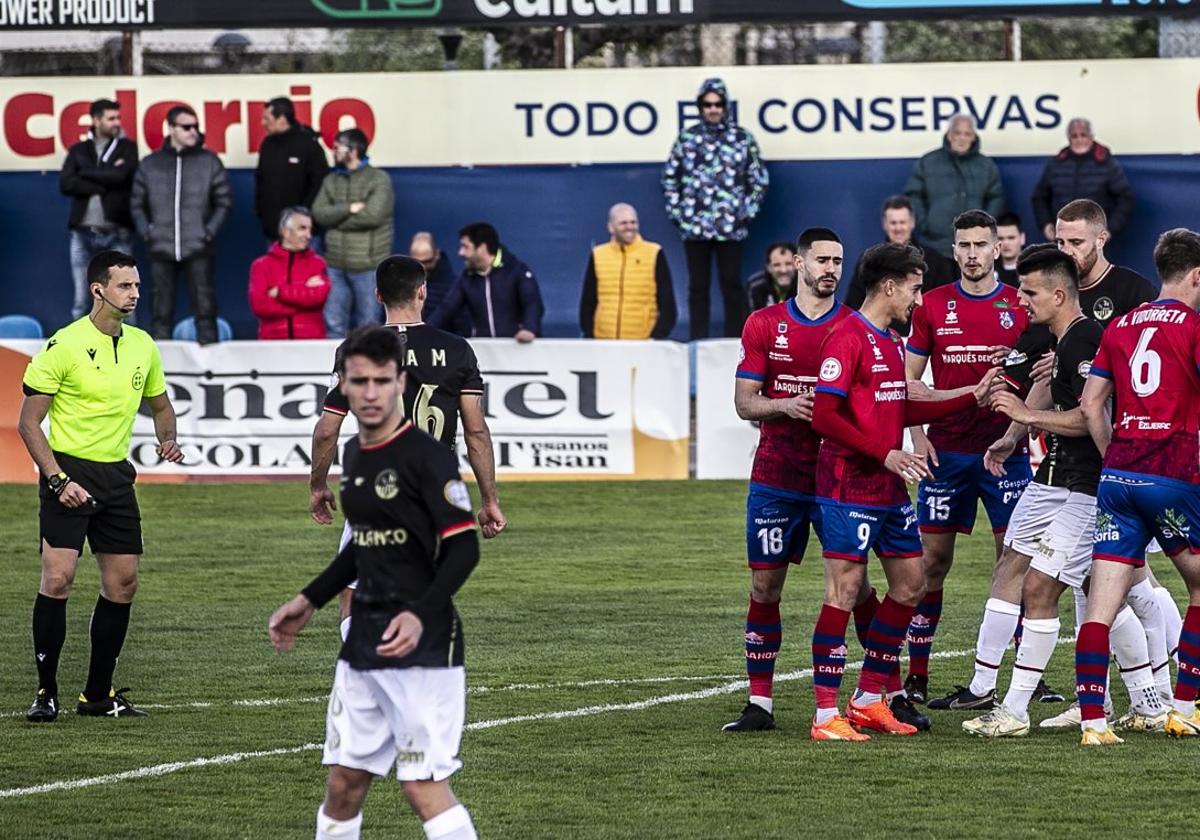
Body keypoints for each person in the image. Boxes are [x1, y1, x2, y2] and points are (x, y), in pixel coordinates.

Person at [270, 326, 483, 839]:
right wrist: (309, 600)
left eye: (381, 381)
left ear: (400, 383)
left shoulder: (428, 458)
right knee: (344, 783)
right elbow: (362, 546)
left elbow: (464, 548)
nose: (369, 392)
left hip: (422, 647)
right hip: (362, 641)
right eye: (358, 381)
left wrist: (421, 611)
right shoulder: (358, 457)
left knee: (422, 786)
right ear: (342, 384)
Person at [961, 245, 1165, 738]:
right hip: (1074, 485)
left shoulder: (1085, 341)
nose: (1021, 301)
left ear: (1057, 294)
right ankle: (1151, 703)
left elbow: (1093, 414)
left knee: (1047, 588)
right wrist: (1015, 432)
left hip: (1092, 491)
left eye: (1029, 293)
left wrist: (1027, 417)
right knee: (1099, 593)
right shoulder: (1063, 339)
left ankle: (1012, 710)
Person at [809, 242, 998, 739]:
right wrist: (885, 452)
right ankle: (826, 714)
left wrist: (968, 396)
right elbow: (826, 416)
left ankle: (870, 696)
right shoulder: (845, 337)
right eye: (915, 288)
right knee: (845, 590)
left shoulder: (891, 342)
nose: (919, 299)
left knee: (911, 584)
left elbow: (901, 410)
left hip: (888, 486)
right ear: (890, 286)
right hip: (848, 483)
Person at [18, 250, 183, 723]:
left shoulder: (143, 346)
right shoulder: (62, 345)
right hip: (66, 471)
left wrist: (167, 440)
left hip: (116, 476)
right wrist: (57, 479)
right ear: (98, 290)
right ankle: (45, 693)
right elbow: (29, 425)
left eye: (136, 286)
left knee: (124, 583)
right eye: (125, 286)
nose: (134, 294)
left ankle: (96, 695)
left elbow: (161, 405)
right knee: (58, 578)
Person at [310, 256, 506, 639]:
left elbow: (326, 430)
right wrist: (489, 500)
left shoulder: (357, 349)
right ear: (422, 292)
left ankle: (364, 667)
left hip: (375, 482)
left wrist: (318, 486)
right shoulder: (457, 349)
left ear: (378, 294)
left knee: (352, 590)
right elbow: (476, 432)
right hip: (436, 489)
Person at [725, 228, 861, 734]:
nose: (830, 268)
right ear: (798, 264)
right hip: (778, 475)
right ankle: (759, 702)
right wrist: (786, 405)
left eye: (837, 260)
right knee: (765, 584)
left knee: (856, 586)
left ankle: (876, 693)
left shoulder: (854, 326)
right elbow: (744, 402)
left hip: (839, 477)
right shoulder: (765, 323)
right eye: (821, 259)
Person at [901, 211, 1033, 710]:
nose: (973, 253)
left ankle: (1025, 675)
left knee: (1014, 563)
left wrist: (1020, 426)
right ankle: (917, 675)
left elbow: (1045, 375)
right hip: (947, 453)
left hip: (1007, 455)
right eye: (964, 245)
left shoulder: (1021, 305)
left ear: (999, 249)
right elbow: (908, 382)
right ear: (953, 251)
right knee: (930, 567)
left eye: (982, 244)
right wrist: (917, 435)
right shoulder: (932, 305)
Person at [1072, 228, 1200, 745]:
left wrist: (1116, 459)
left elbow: (1089, 404)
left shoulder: (1121, 325)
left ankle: (1093, 723)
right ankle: (1186, 708)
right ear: (1197, 275)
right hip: (1171, 475)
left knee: (1100, 606)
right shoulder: (1192, 326)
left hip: (1119, 476)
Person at [662, 77, 769, 340]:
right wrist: (680, 215)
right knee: (698, 286)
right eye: (707, 104)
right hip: (694, 227)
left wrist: (745, 213)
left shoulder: (742, 139)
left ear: (725, 106)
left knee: (731, 284)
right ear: (700, 106)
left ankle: (735, 340)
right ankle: (698, 339)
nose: (713, 109)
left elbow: (759, 180)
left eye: (718, 104)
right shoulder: (687, 139)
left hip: (730, 228)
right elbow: (669, 179)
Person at [131, 105, 231, 345]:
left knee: (205, 308)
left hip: (198, 247)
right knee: (160, 310)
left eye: (196, 127)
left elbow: (224, 202)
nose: (193, 132)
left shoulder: (209, 161)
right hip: (161, 247)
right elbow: (136, 203)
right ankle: (159, 368)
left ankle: (210, 367)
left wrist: (207, 233)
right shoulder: (151, 163)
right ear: (172, 129)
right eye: (187, 127)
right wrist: (148, 232)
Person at [60, 98, 138, 321]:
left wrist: (85, 172)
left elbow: (122, 176)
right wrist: (105, 180)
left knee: (125, 298)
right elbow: (66, 183)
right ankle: (77, 351)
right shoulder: (79, 150)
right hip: (82, 233)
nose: (116, 122)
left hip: (117, 232)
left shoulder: (127, 147)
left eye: (118, 118)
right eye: (110, 118)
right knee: (82, 300)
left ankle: (128, 351)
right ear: (96, 120)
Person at [313, 128, 394, 338]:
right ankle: (336, 370)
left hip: (367, 268)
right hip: (335, 266)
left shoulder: (379, 179)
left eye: (337, 146)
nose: (333, 151)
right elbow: (319, 214)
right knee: (334, 325)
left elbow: (373, 216)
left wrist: (335, 220)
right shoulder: (331, 180)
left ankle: (366, 371)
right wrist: (348, 209)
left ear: (353, 150)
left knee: (368, 328)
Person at [905, 115, 1005, 257]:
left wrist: (984, 229)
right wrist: (926, 225)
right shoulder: (928, 162)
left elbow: (996, 198)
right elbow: (914, 195)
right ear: (949, 135)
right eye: (957, 133)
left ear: (973, 137)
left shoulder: (986, 166)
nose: (962, 138)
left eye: (967, 134)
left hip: (973, 249)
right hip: (935, 246)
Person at [427, 223, 544, 342]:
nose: (460, 253)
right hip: (485, 352)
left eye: (465, 247)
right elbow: (446, 308)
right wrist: (424, 332)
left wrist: (529, 329)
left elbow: (532, 303)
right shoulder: (467, 278)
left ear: (482, 248)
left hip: (518, 350)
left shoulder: (516, 270)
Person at [579, 203, 677, 340]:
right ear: (611, 227)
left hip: (643, 344)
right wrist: (590, 336)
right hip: (603, 342)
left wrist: (656, 338)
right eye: (623, 223)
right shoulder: (598, 255)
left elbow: (668, 305)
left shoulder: (654, 253)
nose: (630, 227)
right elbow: (588, 302)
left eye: (633, 222)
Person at [1032, 118, 1135, 242]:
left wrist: (1110, 229)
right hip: (1062, 238)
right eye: (1074, 136)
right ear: (1069, 138)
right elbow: (1039, 197)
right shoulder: (1056, 164)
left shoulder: (1107, 163)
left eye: (1083, 135)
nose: (1079, 140)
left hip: (1094, 239)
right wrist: (1046, 223)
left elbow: (1125, 199)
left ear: (1091, 137)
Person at [844, 195, 955, 310]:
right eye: (893, 223)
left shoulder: (935, 261)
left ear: (912, 223)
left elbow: (945, 302)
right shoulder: (869, 261)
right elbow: (853, 305)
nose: (898, 228)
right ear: (884, 224)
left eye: (902, 222)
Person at [248, 207, 330, 340]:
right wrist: (303, 301)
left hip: (310, 343)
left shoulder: (318, 264)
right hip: (273, 343)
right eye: (302, 228)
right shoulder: (261, 266)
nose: (308, 235)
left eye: (310, 229)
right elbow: (260, 306)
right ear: (286, 232)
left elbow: (318, 297)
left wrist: (280, 292)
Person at [255, 96, 329, 243]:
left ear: (282, 119)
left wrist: (301, 216)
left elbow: (319, 184)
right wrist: (262, 212)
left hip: (304, 235)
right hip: (273, 232)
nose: (262, 123)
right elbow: (260, 180)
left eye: (267, 119)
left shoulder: (309, 145)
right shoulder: (267, 145)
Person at [408, 232, 467, 336]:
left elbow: (461, 325)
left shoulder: (453, 285)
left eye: (427, 262)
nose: (423, 267)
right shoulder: (401, 283)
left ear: (437, 255)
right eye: (417, 262)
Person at [744, 241, 797, 313]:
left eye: (788, 264)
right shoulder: (755, 286)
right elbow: (749, 321)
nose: (783, 270)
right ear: (768, 267)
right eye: (777, 265)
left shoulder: (808, 285)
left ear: (797, 264)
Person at [995, 211, 1025, 288]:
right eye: (1000, 238)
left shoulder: (1034, 271)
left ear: (1022, 238)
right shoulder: (987, 271)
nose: (1006, 243)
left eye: (1011, 238)